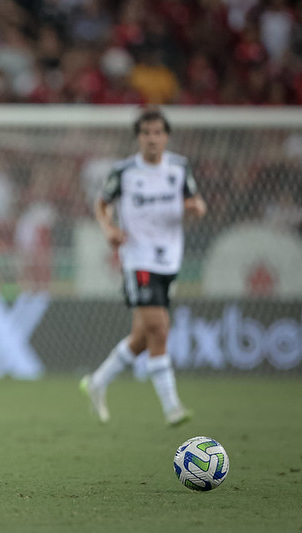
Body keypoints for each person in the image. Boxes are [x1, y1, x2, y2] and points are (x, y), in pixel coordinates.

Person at [80, 108, 206, 426]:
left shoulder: (179, 168)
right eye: (146, 132)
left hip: (170, 260)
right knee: (160, 329)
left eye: (157, 132)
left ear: (166, 137)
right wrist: (108, 229)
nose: (152, 138)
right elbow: (101, 203)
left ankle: (97, 382)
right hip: (138, 259)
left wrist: (197, 208)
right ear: (138, 137)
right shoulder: (124, 171)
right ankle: (172, 408)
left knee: (141, 337)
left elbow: (195, 201)